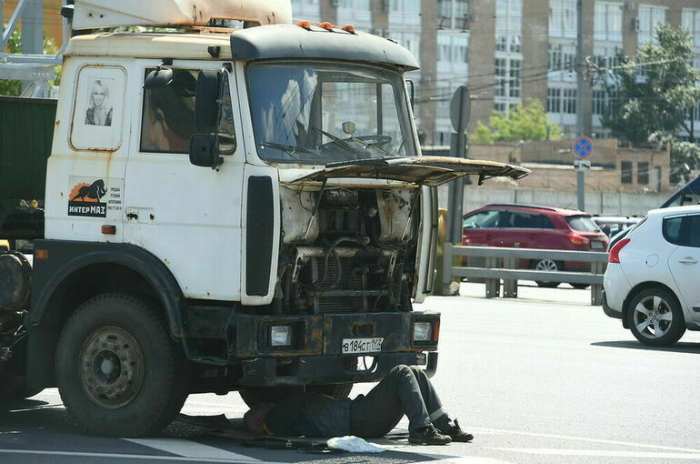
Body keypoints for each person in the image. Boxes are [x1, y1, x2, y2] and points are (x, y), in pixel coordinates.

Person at [243, 365, 473, 446]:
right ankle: (421, 430)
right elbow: (297, 394)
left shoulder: (280, 420)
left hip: (360, 416)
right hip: (358, 419)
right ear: (257, 421)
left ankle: (444, 424)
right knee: (402, 372)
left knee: (413, 371)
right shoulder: (274, 421)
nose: (260, 405)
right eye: (255, 410)